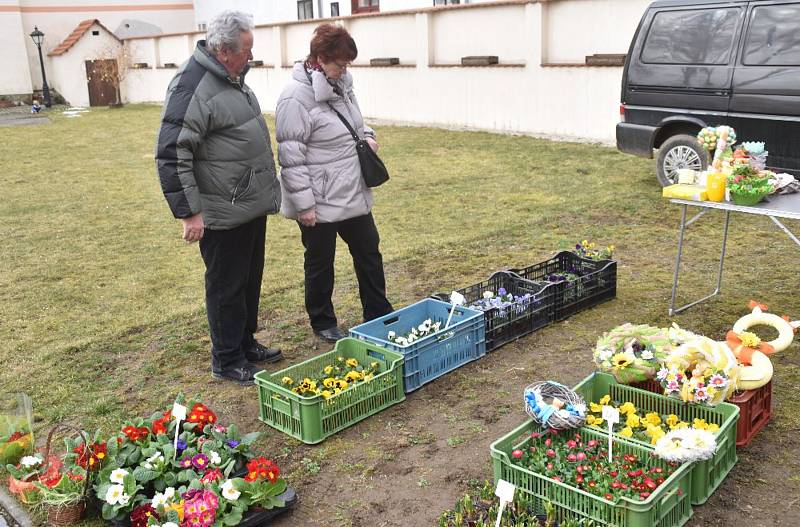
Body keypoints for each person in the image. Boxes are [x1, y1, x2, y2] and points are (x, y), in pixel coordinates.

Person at [155, 10, 283, 385]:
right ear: (224, 50)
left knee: (248, 280)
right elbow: (171, 151)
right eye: (247, 50)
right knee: (226, 285)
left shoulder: (233, 78)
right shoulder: (192, 85)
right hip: (220, 210)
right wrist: (189, 212)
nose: (251, 57)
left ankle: (244, 343)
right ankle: (226, 359)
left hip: (248, 203)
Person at [275, 23, 393, 343]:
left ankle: (378, 310)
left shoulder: (343, 85)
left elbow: (358, 122)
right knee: (319, 262)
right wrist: (305, 206)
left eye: (347, 65)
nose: (344, 70)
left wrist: (368, 137)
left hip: (352, 188)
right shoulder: (295, 98)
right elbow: (290, 155)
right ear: (321, 57)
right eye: (340, 64)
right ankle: (322, 320)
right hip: (319, 196)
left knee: (369, 251)